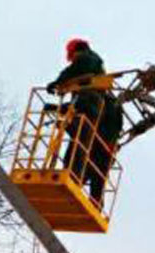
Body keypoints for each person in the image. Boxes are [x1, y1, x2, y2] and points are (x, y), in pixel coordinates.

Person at [46, 38, 121, 206]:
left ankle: (74, 183)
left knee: (80, 148)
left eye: (72, 57)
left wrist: (59, 83)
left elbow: (82, 104)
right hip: (101, 142)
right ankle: (83, 195)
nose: (72, 60)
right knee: (92, 166)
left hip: (102, 141)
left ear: (76, 52)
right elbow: (79, 106)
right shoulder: (102, 97)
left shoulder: (88, 61)